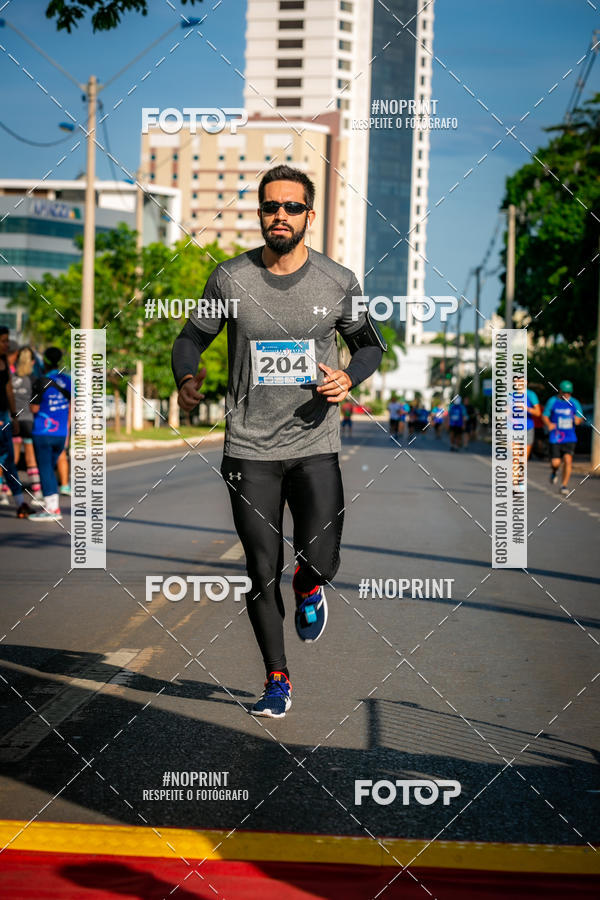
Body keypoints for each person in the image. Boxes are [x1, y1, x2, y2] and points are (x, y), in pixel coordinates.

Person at [172, 165, 385, 719]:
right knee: (258, 568)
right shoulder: (229, 278)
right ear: (261, 213)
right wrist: (186, 377)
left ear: (309, 215)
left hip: (315, 443)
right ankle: (276, 679)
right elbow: (192, 335)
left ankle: (310, 583)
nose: (281, 216)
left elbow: (368, 345)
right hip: (248, 448)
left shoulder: (338, 281)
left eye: (292, 207)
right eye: (271, 207)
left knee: (321, 557)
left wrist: (349, 377)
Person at [28, 347, 71, 521]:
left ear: (44, 361)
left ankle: (52, 509)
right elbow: (73, 406)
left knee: (45, 469)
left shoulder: (40, 381)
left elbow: (34, 407)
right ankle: (52, 504)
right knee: (50, 470)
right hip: (61, 433)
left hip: (43, 432)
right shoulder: (68, 381)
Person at [0, 327, 32, 517]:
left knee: (9, 459)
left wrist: (14, 415)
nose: (6, 344)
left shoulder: (4, 361)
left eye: (7, 341)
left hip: (4, 416)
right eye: (3, 341)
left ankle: (20, 503)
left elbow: (9, 390)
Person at [542, 380, 583, 496]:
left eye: (569, 392)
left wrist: (577, 420)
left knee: (568, 460)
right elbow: (545, 415)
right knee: (555, 463)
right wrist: (549, 424)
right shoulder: (553, 401)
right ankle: (554, 471)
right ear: (560, 391)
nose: (566, 394)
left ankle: (564, 485)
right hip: (555, 437)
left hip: (570, 437)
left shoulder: (575, 403)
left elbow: (580, 418)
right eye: (564, 392)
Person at [11, 346, 42, 499]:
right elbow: (35, 407)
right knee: (30, 458)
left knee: (11, 459)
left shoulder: (11, 378)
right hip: (28, 422)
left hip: (13, 422)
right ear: (32, 361)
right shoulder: (33, 380)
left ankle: (3, 492)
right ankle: (37, 493)